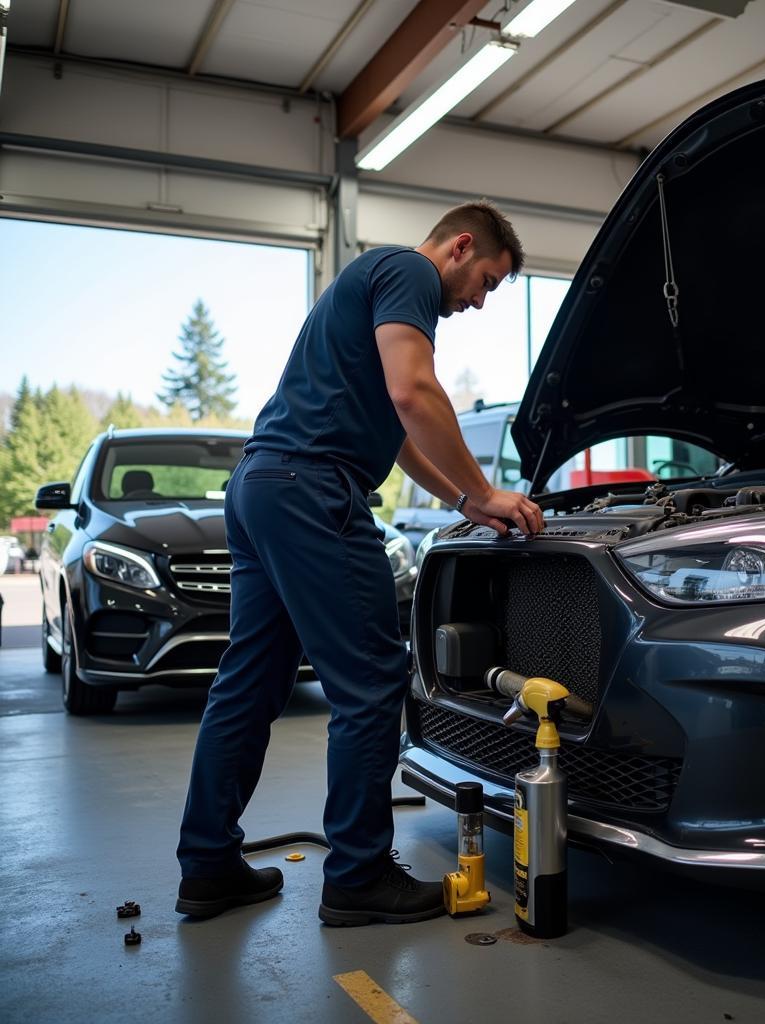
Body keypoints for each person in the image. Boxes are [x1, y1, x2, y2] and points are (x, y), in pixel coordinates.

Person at [175, 201, 544, 926]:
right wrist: (486, 488)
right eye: (488, 282)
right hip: (313, 491)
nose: (477, 301)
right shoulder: (406, 270)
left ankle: (207, 865)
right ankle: (358, 874)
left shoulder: (370, 284)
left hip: (262, 486)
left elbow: (396, 425)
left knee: (250, 683)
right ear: (461, 246)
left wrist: (463, 503)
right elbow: (415, 393)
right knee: (373, 678)